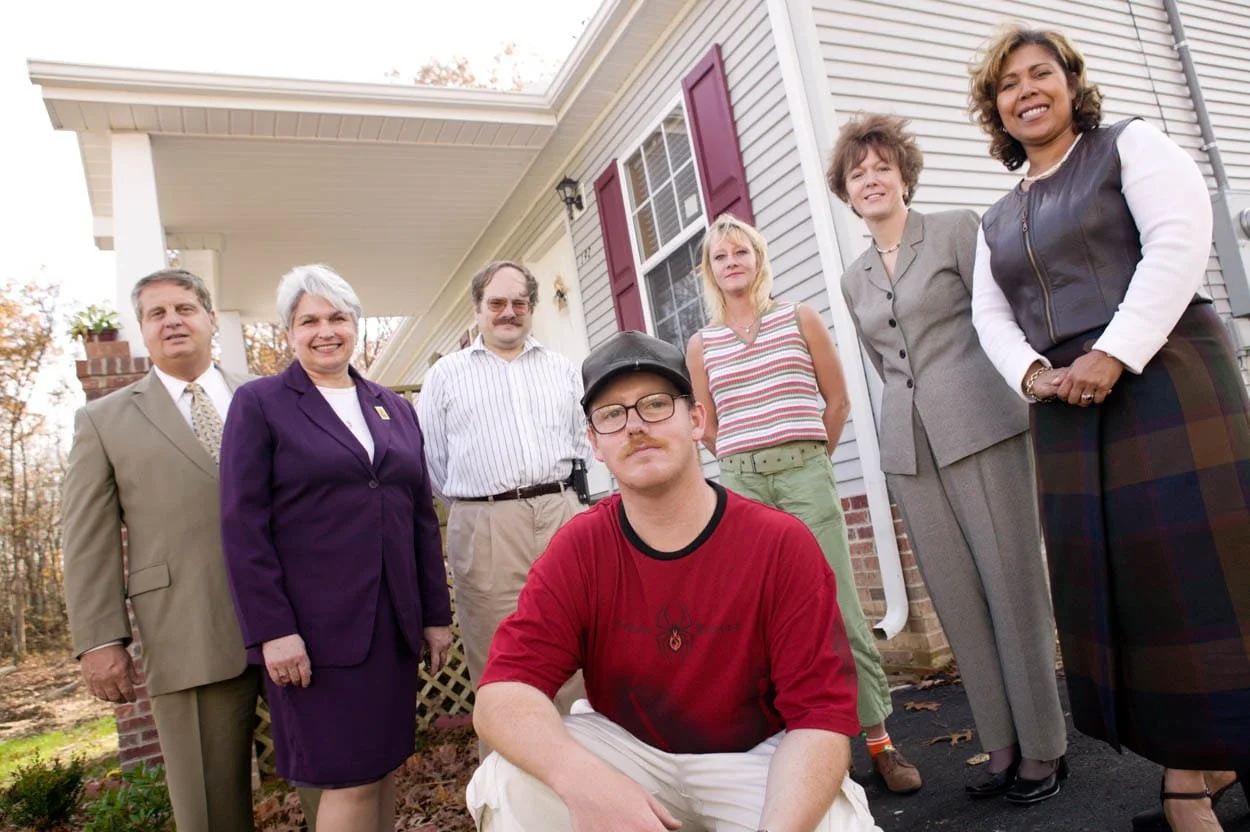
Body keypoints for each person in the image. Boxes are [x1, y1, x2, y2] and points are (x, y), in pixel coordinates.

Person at [968, 25, 1250, 832]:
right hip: (1067, 410)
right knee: (1140, 596)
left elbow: (1177, 245)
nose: (1027, 91)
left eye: (1040, 74)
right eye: (1009, 84)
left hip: (1165, 380)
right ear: (995, 109)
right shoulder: (996, 217)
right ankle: (1190, 769)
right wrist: (1031, 374)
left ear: (1069, 82)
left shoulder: (1131, 145)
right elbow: (990, 316)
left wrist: (1114, 353)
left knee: (1211, 583)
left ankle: (1198, 780)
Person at [465, 330, 882, 831]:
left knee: (834, 825)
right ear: (595, 443)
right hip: (632, 755)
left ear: (697, 418)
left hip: (756, 759)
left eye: (656, 404)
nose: (635, 426)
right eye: (612, 415)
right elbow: (501, 694)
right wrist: (583, 781)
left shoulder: (778, 543)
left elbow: (819, 720)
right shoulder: (581, 549)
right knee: (507, 779)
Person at [830, 113, 1068, 803]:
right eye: (857, 173)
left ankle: (1045, 750)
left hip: (983, 426)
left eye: (881, 167)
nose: (871, 179)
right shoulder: (853, 279)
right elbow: (882, 360)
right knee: (958, 599)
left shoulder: (960, 229)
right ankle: (999, 747)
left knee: (1012, 586)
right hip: (910, 449)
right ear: (845, 193)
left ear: (904, 174)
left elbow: (1000, 318)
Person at [61, 268, 318, 832]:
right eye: (156, 313)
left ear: (207, 318)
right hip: (186, 627)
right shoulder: (103, 421)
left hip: (299, 620)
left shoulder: (273, 396)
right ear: (142, 331)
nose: (172, 321)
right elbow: (87, 539)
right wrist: (102, 638)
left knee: (333, 786)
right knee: (208, 809)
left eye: (184, 308)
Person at [686, 213, 921, 794]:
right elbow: (705, 424)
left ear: (758, 259)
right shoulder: (702, 344)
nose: (732, 262)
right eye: (721, 256)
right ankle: (807, 746)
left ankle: (880, 742)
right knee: (764, 619)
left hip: (805, 477)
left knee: (838, 606)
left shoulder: (799, 317)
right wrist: (741, 461)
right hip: (742, 486)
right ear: (710, 271)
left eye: (741, 251)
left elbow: (836, 401)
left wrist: (810, 459)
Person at [219, 264, 453, 832]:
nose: (325, 331)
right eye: (309, 321)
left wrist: (434, 616)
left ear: (355, 324)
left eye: (337, 318)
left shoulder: (392, 407)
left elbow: (420, 517)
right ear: (289, 332)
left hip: (391, 628)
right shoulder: (261, 404)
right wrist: (272, 629)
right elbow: (242, 525)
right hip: (315, 636)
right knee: (347, 780)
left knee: (382, 770)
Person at [417, 260, 591, 732]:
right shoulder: (446, 377)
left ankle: (588, 780)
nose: (508, 312)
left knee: (577, 652)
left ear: (532, 307)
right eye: (496, 303)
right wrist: (484, 510)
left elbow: (583, 443)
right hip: (485, 522)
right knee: (503, 662)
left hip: (561, 513)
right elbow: (432, 461)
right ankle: (512, 794)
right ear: (477, 309)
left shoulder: (562, 370)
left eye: (519, 303)